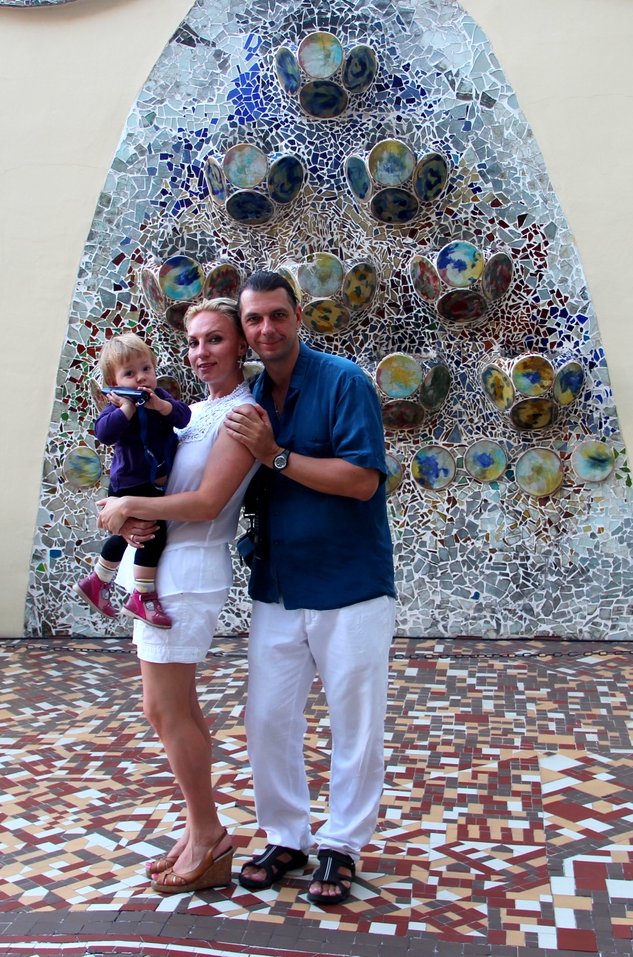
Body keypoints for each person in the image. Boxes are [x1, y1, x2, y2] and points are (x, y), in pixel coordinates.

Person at [222, 270, 395, 907]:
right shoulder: (247, 397)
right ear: (244, 330)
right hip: (277, 584)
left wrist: (277, 455)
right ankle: (287, 836)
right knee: (267, 718)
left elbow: (362, 481)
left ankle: (341, 844)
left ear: (299, 316)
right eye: (254, 319)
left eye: (277, 315)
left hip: (350, 584)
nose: (266, 329)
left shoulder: (344, 381)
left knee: (355, 724)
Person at [94, 299, 260, 894]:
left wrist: (129, 506)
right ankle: (197, 831)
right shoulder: (195, 412)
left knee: (164, 709)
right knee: (175, 709)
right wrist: (130, 513)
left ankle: (209, 833)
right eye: (193, 341)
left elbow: (208, 503)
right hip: (164, 566)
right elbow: (154, 478)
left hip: (189, 573)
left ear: (241, 346)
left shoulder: (240, 413)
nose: (201, 352)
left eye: (215, 339)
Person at [79, 334, 192, 628]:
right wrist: (126, 408)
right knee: (152, 535)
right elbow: (104, 434)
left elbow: (183, 418)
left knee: (126, 536)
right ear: (113, 382)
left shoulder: (159, 398)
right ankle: (142, 596)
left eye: (146, 368)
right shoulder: (116, 409)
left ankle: (98, 580)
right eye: (129, 373)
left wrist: (162, 407)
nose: (141, 377)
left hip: (153, 484)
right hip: (130, 484)